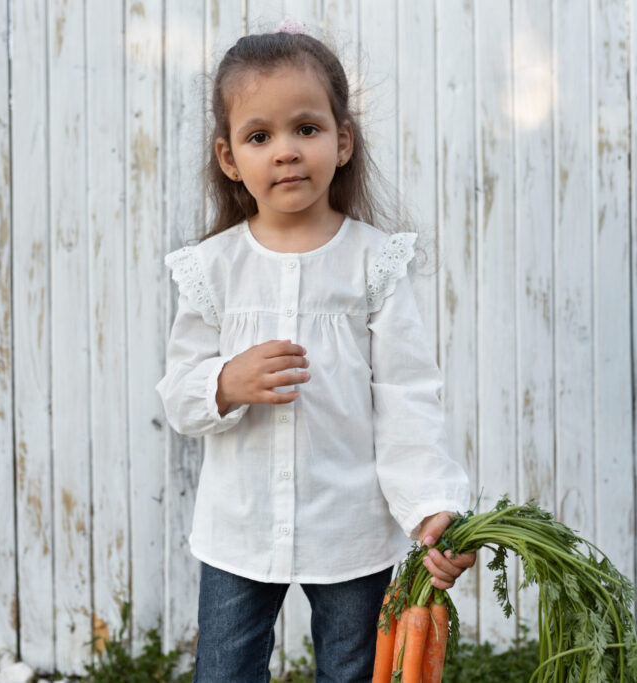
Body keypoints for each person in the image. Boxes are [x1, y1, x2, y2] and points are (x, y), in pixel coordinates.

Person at [155, 23, 475, 683]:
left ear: (342, 141)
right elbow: (180, 395)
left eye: (306, 128)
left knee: (355, 669)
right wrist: (224, 381)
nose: (286, 152)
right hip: (239, 528)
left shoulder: (373, 264)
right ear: (228, 157)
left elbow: (407, 394)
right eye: (259, 136)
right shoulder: (213, 269)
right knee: (223, 670)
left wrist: (431, 504)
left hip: (351, 527)